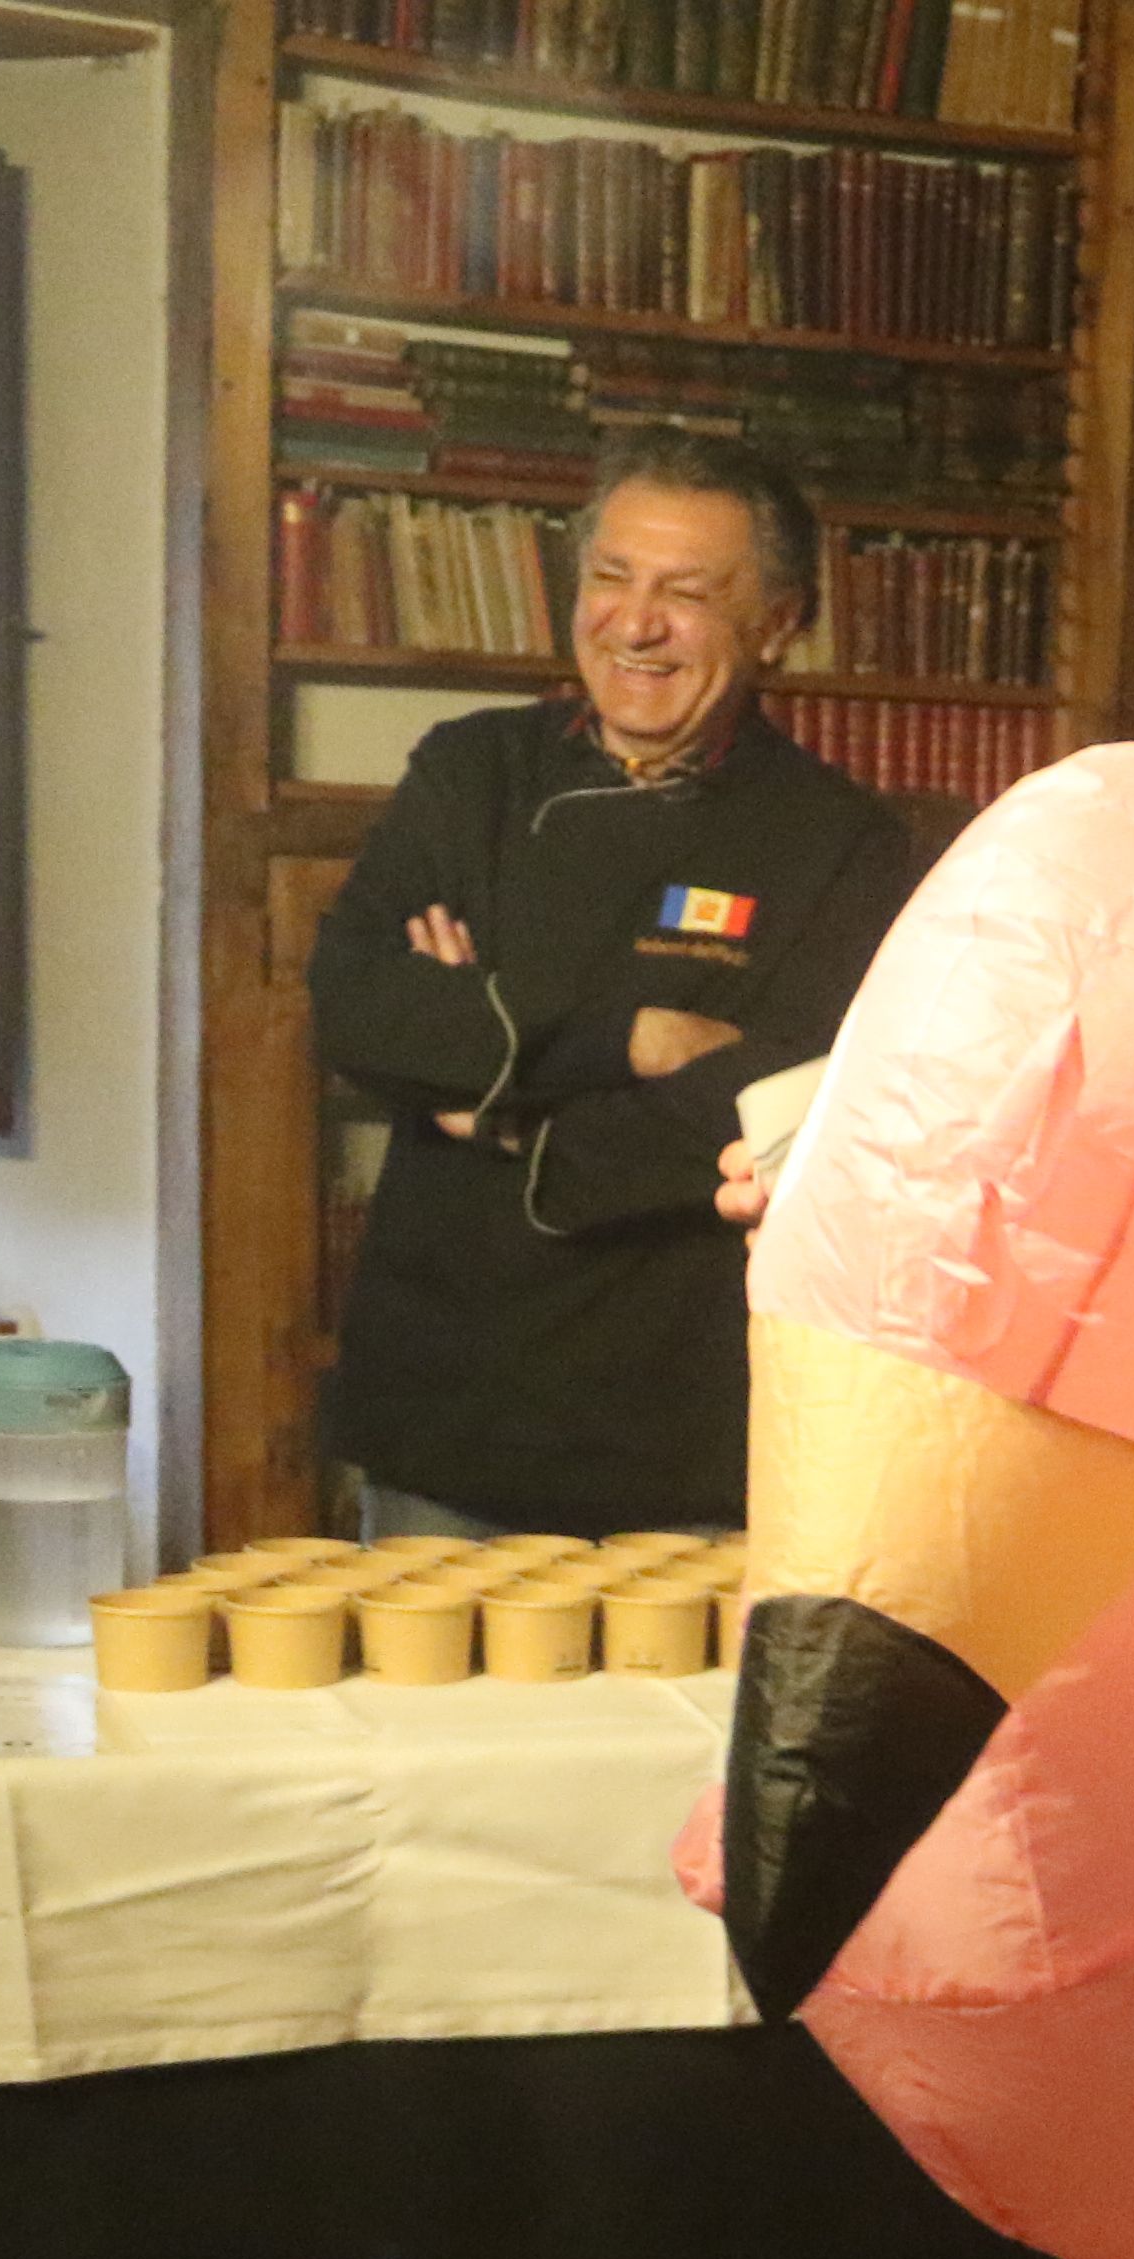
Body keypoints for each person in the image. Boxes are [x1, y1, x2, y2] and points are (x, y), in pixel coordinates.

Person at [312, 429, 921, 1538]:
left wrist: (493, 1110)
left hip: (680, 1441)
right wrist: (632, 1038)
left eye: (686, 594)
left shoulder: (846, 846)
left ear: (778, 625)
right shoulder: (472, 773)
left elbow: (783, 1107)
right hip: (445, 1417)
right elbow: (358, 1005)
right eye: (611, 577)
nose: (635, 624)